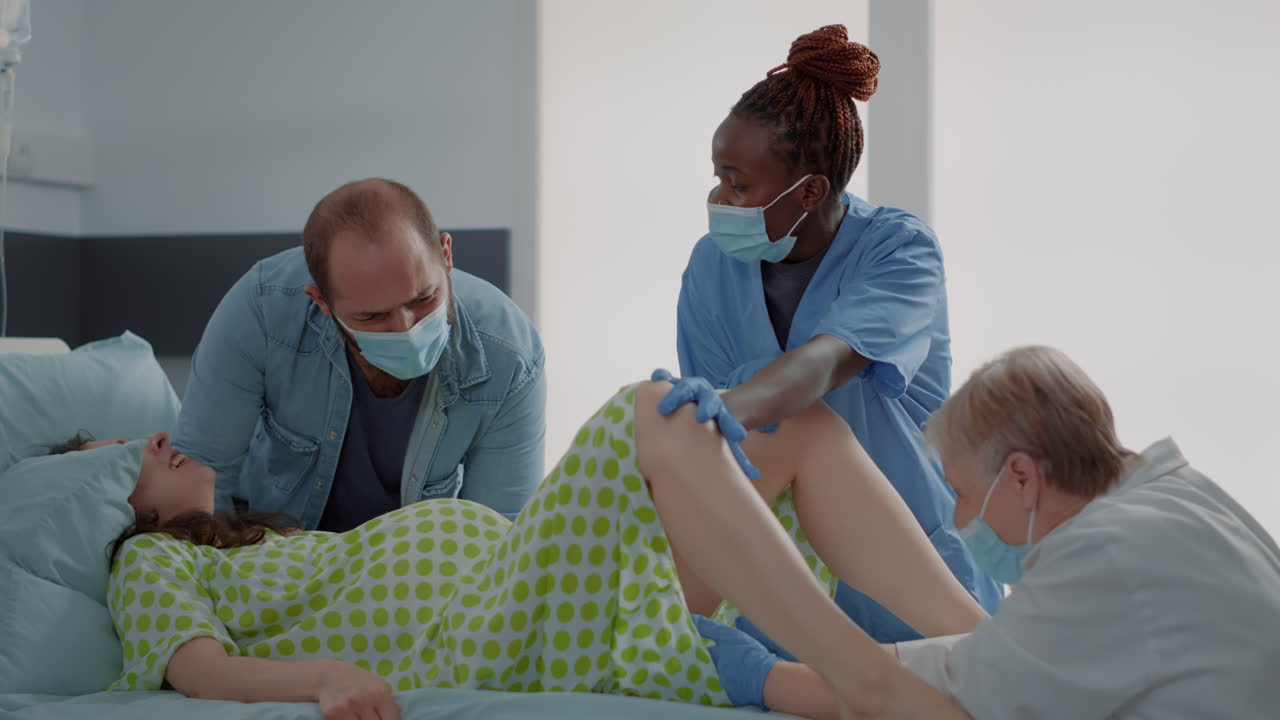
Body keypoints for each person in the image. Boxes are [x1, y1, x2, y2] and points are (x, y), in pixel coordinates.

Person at [105, 374, 988, 719]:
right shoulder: (152, 561)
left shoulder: (267, 533)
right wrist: (325, 677)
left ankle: (998, 651)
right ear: (113, 499)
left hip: (537, 604)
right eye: (118, 455)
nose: (154, 440)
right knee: (648, 411)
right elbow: (202, 675)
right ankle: (871, 682)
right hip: (480, 642)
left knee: (797, 422)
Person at [705, 346, 1280, 718]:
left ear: (1022, 476)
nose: (957, 521)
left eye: (961, 494)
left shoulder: (1102, 556)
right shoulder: (1181, 500)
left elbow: (946, 697)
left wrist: (765, 678)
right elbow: (992, 661)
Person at [676, 24, 1001, 641]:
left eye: (738, 183)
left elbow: (825, 366)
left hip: (911, 557)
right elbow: (724, 452)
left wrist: (730, 405)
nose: (718, 197)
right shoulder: (711, 266)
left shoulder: (900, 251)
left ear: (811, 191)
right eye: (719, 176)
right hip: (779, 575)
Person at [171, 179, 547, 532]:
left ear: (446, 255)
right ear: (322, 302)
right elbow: (199, 481)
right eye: (372, 316)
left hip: (416, 572)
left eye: (424, 299)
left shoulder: (510, 356)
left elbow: (498, 538)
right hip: (272, 556)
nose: (407, 330)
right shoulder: (261, 311)